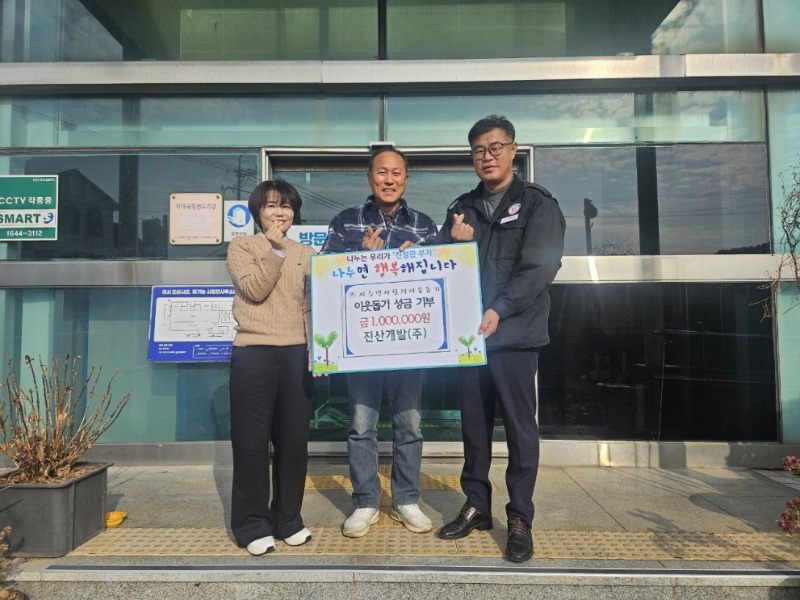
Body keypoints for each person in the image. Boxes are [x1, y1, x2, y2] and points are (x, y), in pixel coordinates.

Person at [435, 115, 565, 562]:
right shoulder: (462, 207)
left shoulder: (537, 204)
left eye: (495, 148)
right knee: (474, 428)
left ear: (513, 150)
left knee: (519, 431)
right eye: (478, 150)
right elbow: (440, 270)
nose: (487, 157)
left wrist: (499, 309)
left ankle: (520, 516)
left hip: (515, 336)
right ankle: (476, 505)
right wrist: (451, 246)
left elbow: (540, 267)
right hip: (470, 339)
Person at [321, 147, 438, 538]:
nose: (389, 179)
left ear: (406, 179)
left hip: (409, 344)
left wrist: (421, 260)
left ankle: (406, 500)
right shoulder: (345, 221)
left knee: (410, 425)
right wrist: (360, 256)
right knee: (361, 426)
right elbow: (325, 276)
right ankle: (366, 502)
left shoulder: (423, 224)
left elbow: (440, 279)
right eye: (382, 172)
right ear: (370, 177)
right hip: (362, 345)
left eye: (397, 173)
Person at [226, 180, 316, 556]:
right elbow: (255, 289)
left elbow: (310, 306)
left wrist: (317, 352)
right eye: (272, 206)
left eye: (287, 206)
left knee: (294, 443)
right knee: (251, 442)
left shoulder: (307, 252)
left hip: (296, 353)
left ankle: (288, 519)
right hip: (253, 353)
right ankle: (252, 524)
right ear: (258, 212)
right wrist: (275, 249)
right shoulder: (242, 246)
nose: (280, 213)